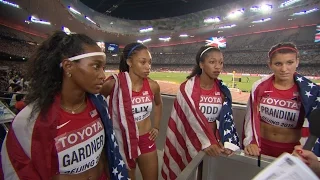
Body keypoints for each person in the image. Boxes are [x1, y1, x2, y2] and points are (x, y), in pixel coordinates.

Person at [1, 31, 129, 180]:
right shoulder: (30, 121)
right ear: (68, 66)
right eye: (95, 66)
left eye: (103, 68)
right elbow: (19, 171)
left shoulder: (100, 105)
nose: (102, 75)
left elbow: (106, 155)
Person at [161, 46, 240, 180]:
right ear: (201, 64)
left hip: (213, 145)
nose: (218, 67)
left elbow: (225, 120)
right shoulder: (186, 89)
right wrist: (205, 142)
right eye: (212, 62)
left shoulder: (222, 90)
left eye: (221, 62)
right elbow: (187, 120)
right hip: (191, 142)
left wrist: (225, 140)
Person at [243, 42, 320, 157]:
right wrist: (251, 141)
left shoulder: (311, 92)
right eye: (278, 64)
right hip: (260, 147)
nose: (284, 69)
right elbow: (251, 117)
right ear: (270, 65)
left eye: (290, 62)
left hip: (293, 152)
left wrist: (306, 149)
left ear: (297, 62)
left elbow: (312, 127)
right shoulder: (259, 86)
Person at [101, 42, 162, 180]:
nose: (148, 67)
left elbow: (158, 104)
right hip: (123, 140)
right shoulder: (114, 84)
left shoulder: (152, 86)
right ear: (129, 61)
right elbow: (96, 103)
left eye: (150, 62)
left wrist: (157, 127)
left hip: (146, 138)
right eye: (143, 62)